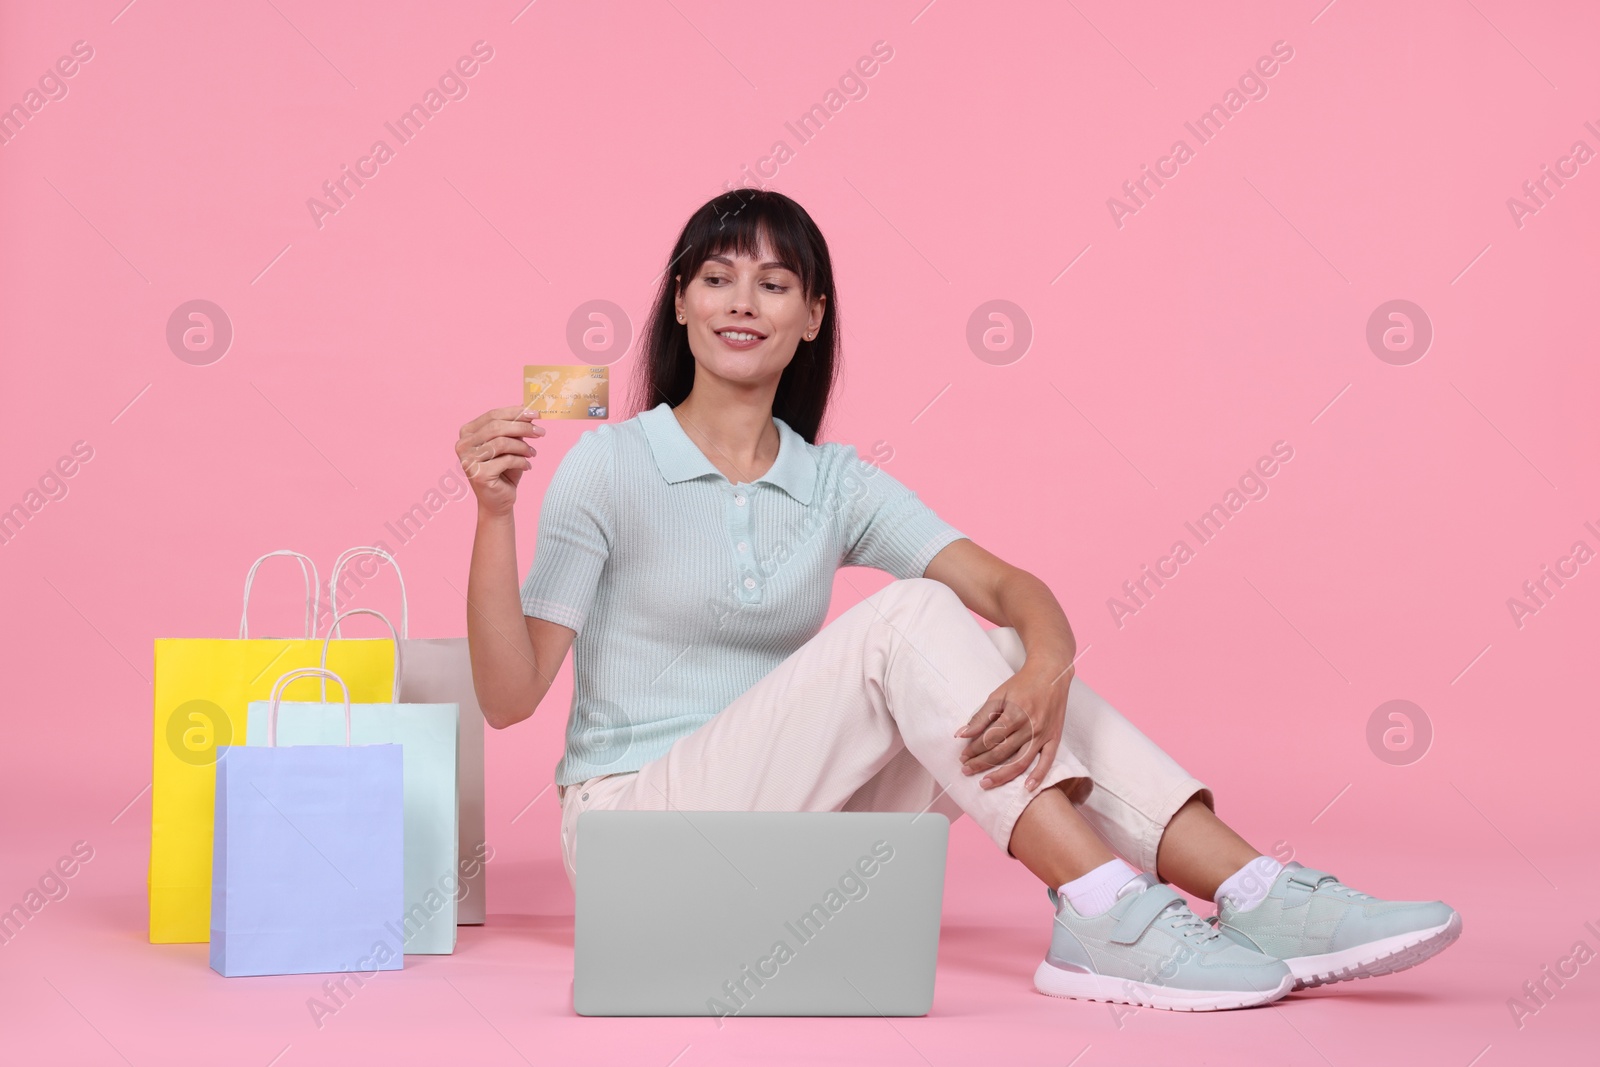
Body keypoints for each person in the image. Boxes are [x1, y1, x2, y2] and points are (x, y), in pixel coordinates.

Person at [456, 189, 1460, 1011]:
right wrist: (494, 515)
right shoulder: (611, 467)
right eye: (715, 277)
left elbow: (1010, 587)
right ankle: (1101, 904)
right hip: (642, 839)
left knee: (1002, 667)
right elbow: (508, 698)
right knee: (912, 619)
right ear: (678, 303)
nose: (740, 300)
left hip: (787, 830)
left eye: (774, 281)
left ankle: (1255, 891)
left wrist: (1045, 665)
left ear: (811, 318)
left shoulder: (835, 481)